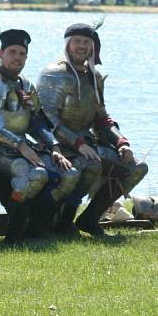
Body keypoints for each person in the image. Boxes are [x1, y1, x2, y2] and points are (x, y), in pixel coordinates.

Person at [36, 23, 148, 236]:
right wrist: (78, 144)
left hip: (87, 145)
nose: (81, 46)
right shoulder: (53, 74)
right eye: (77, 41)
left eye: (86, 42)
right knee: (91, 164)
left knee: (137, 167)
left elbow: (101, 118)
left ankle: (90, 218)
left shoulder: (94, 77)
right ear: (68, 44)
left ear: (92, 46)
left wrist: (121, 143)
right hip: (56, 147)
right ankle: (64, 223)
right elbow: (47, 119)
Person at [0, 29, 80, 243]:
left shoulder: (26, 85)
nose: (17, 58)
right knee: (36, 174)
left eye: (22, 54)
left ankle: (38, 227)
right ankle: (15, 230)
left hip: (19, 148)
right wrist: (21, 145)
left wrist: (54, 147)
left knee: (69, 173)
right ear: (0, 53)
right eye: (12, 52)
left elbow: (38, 121)